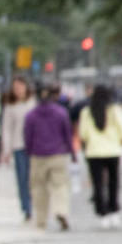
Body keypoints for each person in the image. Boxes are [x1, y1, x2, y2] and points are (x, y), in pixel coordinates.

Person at [24, 81, 78, 229]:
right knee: (60, 185)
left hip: (38, 155)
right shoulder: (61, 112)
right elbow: (67, 134)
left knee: (38, 188)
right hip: (58, 155)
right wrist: (72, 153)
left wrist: (29, 152)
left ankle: (41, 219)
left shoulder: (31, 115)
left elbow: (28, 137)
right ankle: (61, 211)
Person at [78, 83, 122, 229]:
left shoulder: (87, 113)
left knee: (98, 183)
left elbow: (83, 134)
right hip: (113, 151)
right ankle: (114, 210)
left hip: (94, 152)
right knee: (114, 182)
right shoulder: (115, 111)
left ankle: (102, 213)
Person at [2, 78, 37, 222]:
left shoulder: (33, 103)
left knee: (35, 178)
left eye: (20, 86)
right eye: (15, 87)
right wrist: (7, 149)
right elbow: (7, 128)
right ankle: (26, 207)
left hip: (35, 146)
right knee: (22, 178)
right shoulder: (10, 106)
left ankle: (36, 204)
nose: (18, 90)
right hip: (19, 146)